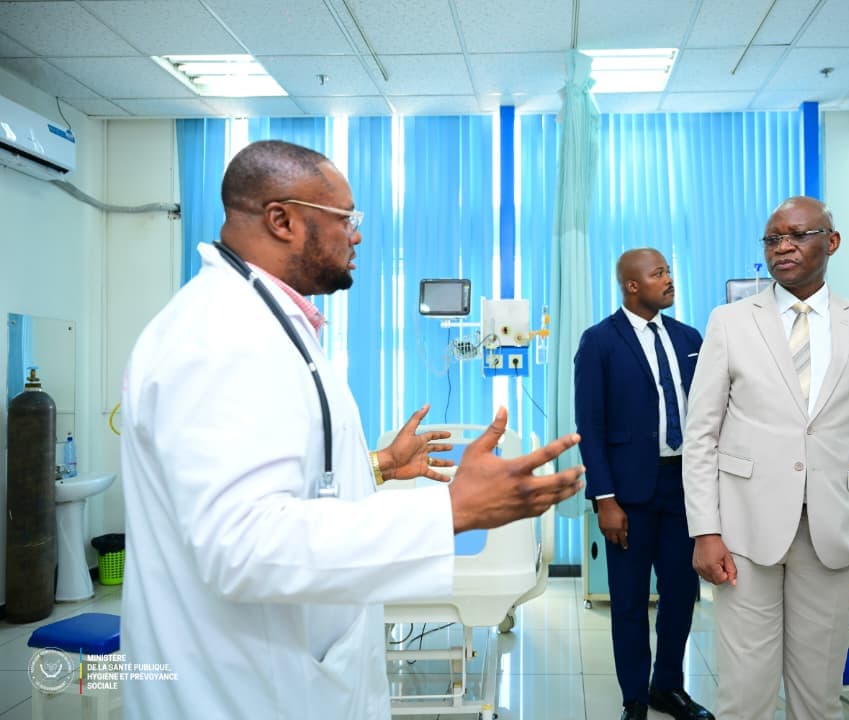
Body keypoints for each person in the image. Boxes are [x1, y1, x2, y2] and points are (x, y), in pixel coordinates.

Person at [120, 140, 584, 719]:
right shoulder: (221, 338)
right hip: (245, 691)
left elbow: (282, 482)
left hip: (289, 669)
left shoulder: (264, 321)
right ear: (283, 219)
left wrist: (379, 466)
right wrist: (451, 512)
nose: (357, 236)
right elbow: (240, 545)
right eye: (346, 219)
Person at [682, 196, 849, 720]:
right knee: (744, 696)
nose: (783, 246)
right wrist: (705, 529)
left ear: (831, 241)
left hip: (835, 535)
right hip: (743, 533)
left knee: (818, 697)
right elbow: (701, 435)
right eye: (772, 238)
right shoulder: (730, 322)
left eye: (798, 234)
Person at [575, 248, 714, 720]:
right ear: (632, 285)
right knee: (630, 601)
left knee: (681, 593)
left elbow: (710, 414)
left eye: (669, 271)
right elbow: (590, 427)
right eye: (658, 274)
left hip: (685, 485)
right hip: (629, 493)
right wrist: (604, 499)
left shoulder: (689, 338)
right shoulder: (599, 342)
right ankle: (634, 696)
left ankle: (667, 687)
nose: (669, 279)